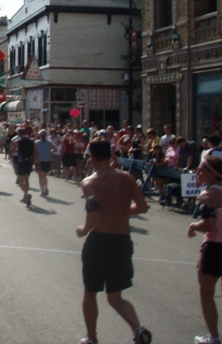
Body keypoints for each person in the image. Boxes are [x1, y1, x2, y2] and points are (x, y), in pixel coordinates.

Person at [76, 138, 152, 344]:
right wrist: (120, 212)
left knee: (91, 291)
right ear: (111, 156)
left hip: (99, 241)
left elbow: (94, 214)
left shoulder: (89, 182)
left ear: (91, 157)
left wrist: (83, 230)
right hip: (122, 240)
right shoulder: (127, 178)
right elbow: (143, 206)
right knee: (115, 297)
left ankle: (91, 337)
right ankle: (138, 329)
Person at [188, 155, 222, 344]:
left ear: (211, 173)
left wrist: (194, 225)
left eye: (201, 169)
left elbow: (209, 224)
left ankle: (214, 338)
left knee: (207, 292)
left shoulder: (207, 196)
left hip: (215, 248)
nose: (197, 172)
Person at [11, 127, 38, 206]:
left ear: (19, 134)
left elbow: (12, 150)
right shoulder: (32, 142)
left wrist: (18, 150)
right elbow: (35, 152)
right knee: (26, 179)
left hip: (22, 161)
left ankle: (26, 194)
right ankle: (25, 195)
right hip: (29, 161)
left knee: (19, 180)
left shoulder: (18, 141)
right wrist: (35, 162)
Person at [35, 129, 57, 197]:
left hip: (40, 161)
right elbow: (55, 149)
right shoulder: (50, 142)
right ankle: (46, 187)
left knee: (40, 177)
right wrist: (51, 151)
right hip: (48, 160)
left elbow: (35, 152)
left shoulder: (37, 142)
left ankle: (42, 191)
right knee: (44, 176)